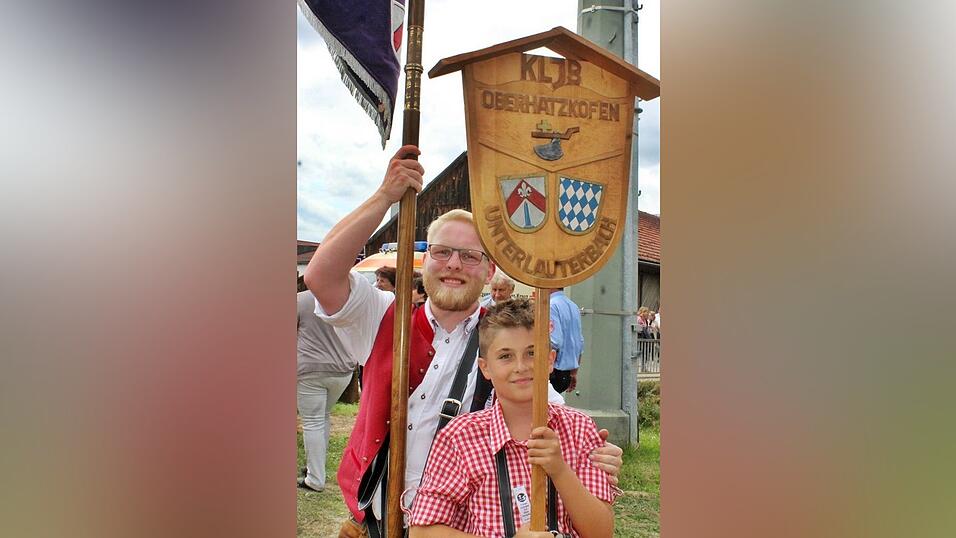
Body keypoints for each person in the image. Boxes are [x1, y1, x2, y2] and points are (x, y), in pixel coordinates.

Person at [303, 145, 623, 537]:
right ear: (427, 262)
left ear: (489, 271)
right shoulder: (383, 314)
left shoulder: (503, 342)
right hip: (377, 521)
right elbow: (320, 276)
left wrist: (593, 454)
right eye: (443, 252)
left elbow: (546, 413)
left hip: (455, 528)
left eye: (470, 256)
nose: (454, 264)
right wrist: (385, 196)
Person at [409, 299, 616, 537]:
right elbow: (422, 532)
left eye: (532, 353)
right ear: (485, 368)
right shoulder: (460, 437)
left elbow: (602, 532)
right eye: (506, 356)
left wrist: (559, 470)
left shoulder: (580, 429)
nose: (521, 366)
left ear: (550, 360)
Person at [296, 290, 357, 492]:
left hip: (311, 368)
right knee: (322, 417)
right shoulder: (347, 297)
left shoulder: (300, 300)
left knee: (313, 421)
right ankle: (316, 470)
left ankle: (315, 478)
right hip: (343, 369)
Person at [548, 288, 584, 394]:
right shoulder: (573, 305)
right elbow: (580, 342)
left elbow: (554, 341)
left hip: (552, 370)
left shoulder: (551, 305)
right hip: (566, 373)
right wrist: (574, 372)